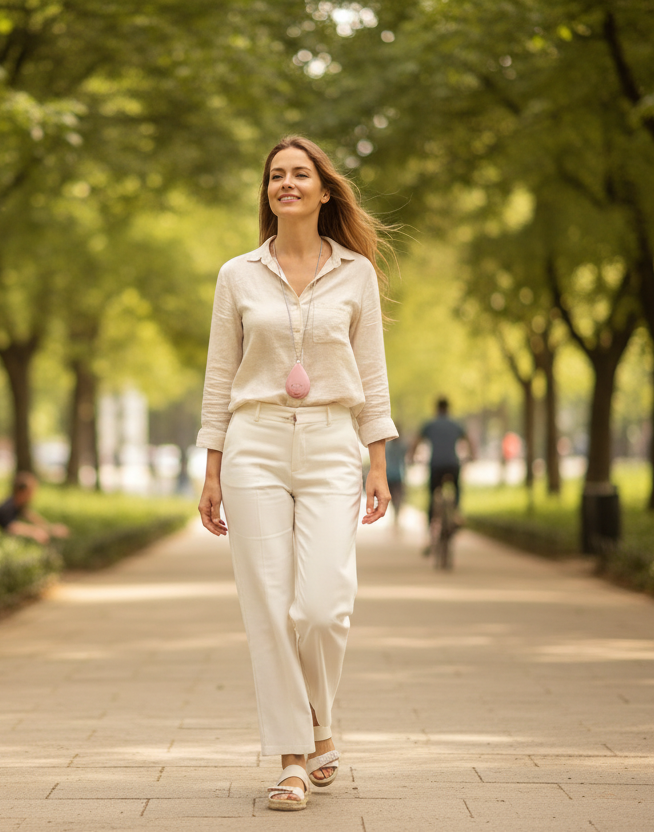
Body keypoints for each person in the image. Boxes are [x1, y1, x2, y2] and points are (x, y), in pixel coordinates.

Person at [197, 136, 396, 811]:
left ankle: (320, 722)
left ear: (324, 190)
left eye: (300, 174)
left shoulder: (357, 273)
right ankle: (290, 760)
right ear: (269, 192)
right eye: (276, 176)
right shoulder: (238, 275)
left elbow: (372, 373)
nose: (287, 184)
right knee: (269, 608)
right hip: (253, 440)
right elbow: (221, 374)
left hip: (332, 442)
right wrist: (212, 468)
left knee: (321, 606)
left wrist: (378, 460)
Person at [410, 397, 476, 527]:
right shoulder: (456, 424)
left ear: (436, 409)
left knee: (432, 493)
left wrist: (411, 456)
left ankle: (431, 526)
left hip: (435, 465)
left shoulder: (429, 425)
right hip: (453, 464)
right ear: (448, 409)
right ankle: (456, 513)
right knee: (456, 488)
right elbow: (469, 440)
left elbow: (416, 442)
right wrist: (472, 455)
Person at [0, 471, 69, 545]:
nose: (33, 495)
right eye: (31, 491)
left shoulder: (18, 505)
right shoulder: (8, 506)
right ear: (22, 492)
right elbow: (12, 527)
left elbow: (32, 518)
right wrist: (34, 532)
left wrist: (51, 529)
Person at [385, 428, 408, 528]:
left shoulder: (388, 446)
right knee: (397, 496)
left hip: (392, 474)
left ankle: (396, 516)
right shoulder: (401, 446)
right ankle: (396, 515)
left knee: (394, 496)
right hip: (396, 474)